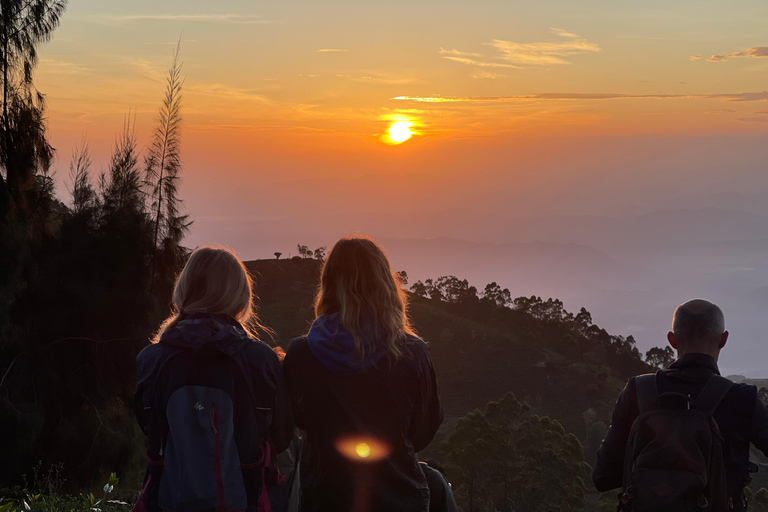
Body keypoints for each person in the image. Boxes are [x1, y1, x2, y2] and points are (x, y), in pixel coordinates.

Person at [283, 235, 443, 512]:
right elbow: (423, 430)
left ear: (329, 285)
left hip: (323, 498)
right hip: (398, 498)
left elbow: (295, 420)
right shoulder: (413, 353)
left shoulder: (301, 354)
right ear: (385, 285)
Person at [133, 246, 293, 512]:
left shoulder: (151, 360)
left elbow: (148, 428)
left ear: (184, 289)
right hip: (247, 500)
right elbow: (282, 436)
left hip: (168, 500)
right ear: (240, 295)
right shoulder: (260, 359)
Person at [593, 299, 768, 512]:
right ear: (723, 339)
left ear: (672, 340)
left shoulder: (637, 390)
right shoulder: (742, 398)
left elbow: (602, 477)